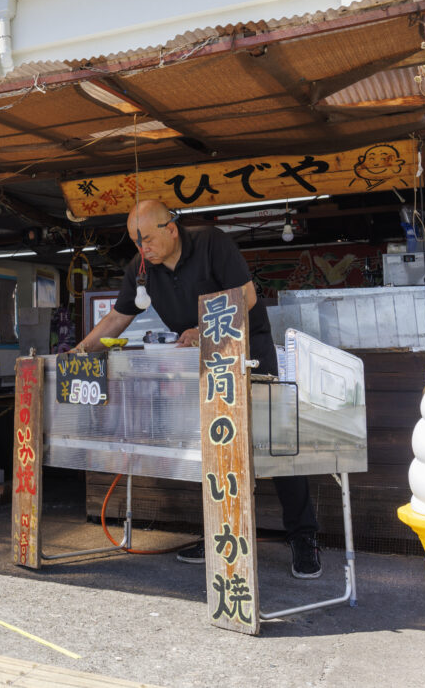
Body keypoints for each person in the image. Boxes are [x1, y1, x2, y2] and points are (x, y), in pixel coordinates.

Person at [75, 199, 322, 579]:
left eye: (147, 239)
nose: (143, 249)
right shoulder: (141, 270)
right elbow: (116, 316)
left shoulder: (212, 245)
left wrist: (203, 330)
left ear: (170, 229)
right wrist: (79, 352)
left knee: (276, 446)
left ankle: (303, 536)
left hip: (248, 357)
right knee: (213, 451)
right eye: (135, 242)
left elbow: (247, 297)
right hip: (199, 368)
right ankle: (222, 534)